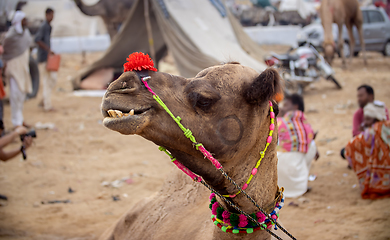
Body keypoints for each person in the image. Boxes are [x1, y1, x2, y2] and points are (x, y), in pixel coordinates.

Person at [345, 103, 390, 199]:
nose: (365, 122)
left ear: (376, 119)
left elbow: (349, 148)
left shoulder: (372, 131)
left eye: (368, 119)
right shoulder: (384, 127)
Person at [276, 94, 317, 198]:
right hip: (299, 181)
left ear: (295, 106)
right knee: (312, 145)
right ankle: (300, 181)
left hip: (280, 165)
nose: (282, 107)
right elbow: (311, 137)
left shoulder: (280, 121)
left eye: (285, 105)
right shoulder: (305, 122)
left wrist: (278, 117)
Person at [2, 11, 33, 127]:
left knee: (21, 94)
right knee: (14, 94)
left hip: (23, 68)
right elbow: (5, 53)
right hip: (13, 68)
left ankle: (20, 119)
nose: (26, 22)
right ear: (19, 21)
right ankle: (16, 122)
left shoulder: (26, 34)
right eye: (24, 20)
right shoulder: (10, 36)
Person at [35, 8, 56, 112]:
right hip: (43, 57)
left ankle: (44, 100)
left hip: (48, 57)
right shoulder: (43, 26)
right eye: (51, 15)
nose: (52, 17)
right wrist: (48, 49)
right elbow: (37, 39)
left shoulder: (49, 27)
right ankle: (47, 105)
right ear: (47, 15)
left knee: (52, 79)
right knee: (47, 81)